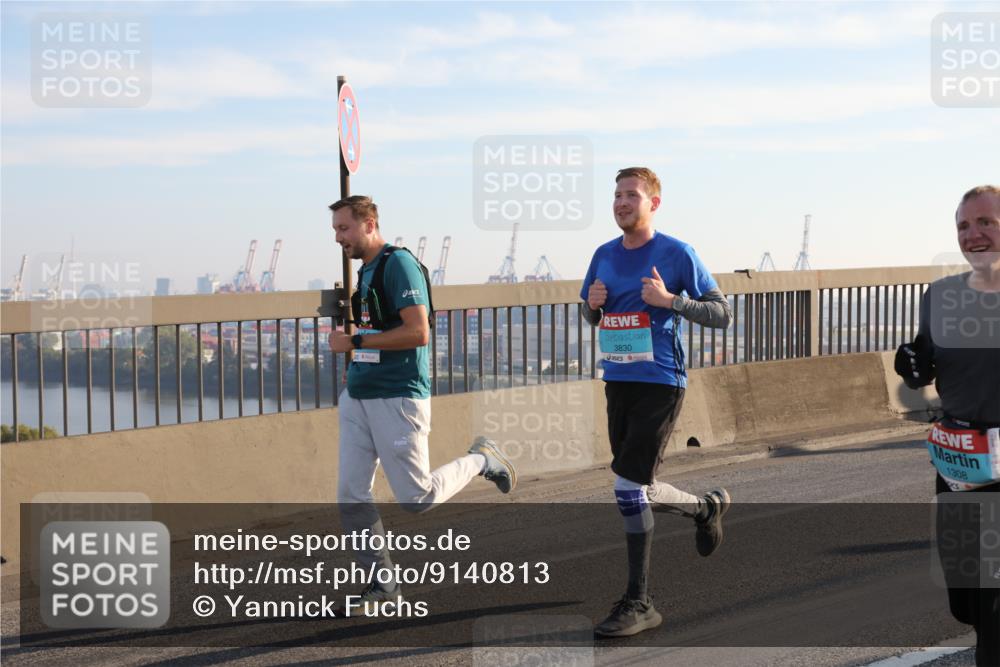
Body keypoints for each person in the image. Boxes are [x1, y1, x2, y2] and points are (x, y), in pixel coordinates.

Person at [328, 195, 516, 610]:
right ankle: (384, 587)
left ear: (369, 223)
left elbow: (418, 332)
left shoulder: (398, 264)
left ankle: (482, 458)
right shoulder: (369, 270)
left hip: (397, 396)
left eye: (344, 229)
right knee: (351, 493)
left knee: (416, 498)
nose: (338, 237)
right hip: (359, 394)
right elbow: (382, 328)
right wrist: (352, 339)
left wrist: (355, 339)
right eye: (336, 230)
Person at [580, 167, 734, 638]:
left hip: (662, 382)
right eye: (617, 195)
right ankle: (704, 508)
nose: (622, 203)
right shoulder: (603, 254)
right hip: (618, 382)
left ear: (654, 203)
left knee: (627, 488)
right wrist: (593, 303)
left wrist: (671, 301)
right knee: (638, 485)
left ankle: (640, 601)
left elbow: (721, 313)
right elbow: (588, 312)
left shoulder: (676, 252)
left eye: (632, 195)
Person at [895, 184, 1000, 666]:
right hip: (958, 465)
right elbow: (925, 365)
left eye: (986, 223)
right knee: (968, 600)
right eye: (964, 225)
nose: (973, 235)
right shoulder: (940, 296)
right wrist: (912, 364)